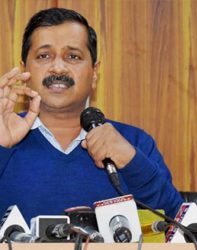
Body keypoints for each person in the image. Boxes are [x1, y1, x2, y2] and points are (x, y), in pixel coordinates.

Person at [0, 7, 183, 223]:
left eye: (73, 56)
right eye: (44, 56)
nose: (58, 68)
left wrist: (132, 162)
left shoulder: (134, 142)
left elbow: (177, 226)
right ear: (24, 70)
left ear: (94, 72)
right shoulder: (4, 136)